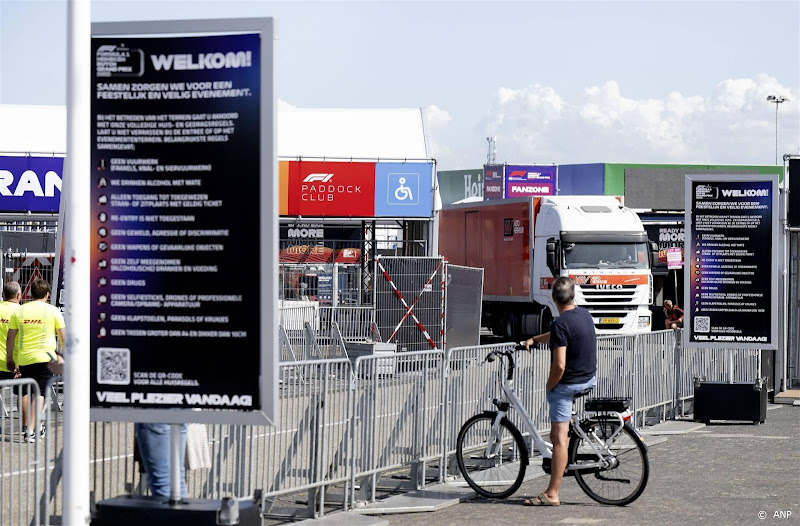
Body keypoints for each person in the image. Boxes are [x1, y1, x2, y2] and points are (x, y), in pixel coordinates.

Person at [523, 276, 597, 506]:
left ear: (553, 298)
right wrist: (535, 339)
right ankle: (571, 427)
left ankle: (552, 493)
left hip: (568, 384)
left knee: (558, 440)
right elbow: (559, 335)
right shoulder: (584, 315)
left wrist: (550, 386)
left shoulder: (560, 323)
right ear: (573, 295)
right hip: (588, 378)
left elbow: (560, 365)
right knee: (563, 432)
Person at [5, 279, 65, 443]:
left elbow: (11, 337)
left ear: (30, 294)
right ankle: (31, 430)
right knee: (39, 394)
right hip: (45, 357)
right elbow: (63, 337)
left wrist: (10, 358)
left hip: (24, 357)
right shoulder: (53, 311)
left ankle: (35, 427)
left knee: (26, 392)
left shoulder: (19, 311)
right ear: (47, 294)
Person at [0, 281, 22, 382]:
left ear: (2, 294)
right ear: (18, 295)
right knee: (23, 393)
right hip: (17, 362)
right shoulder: (23, 311)